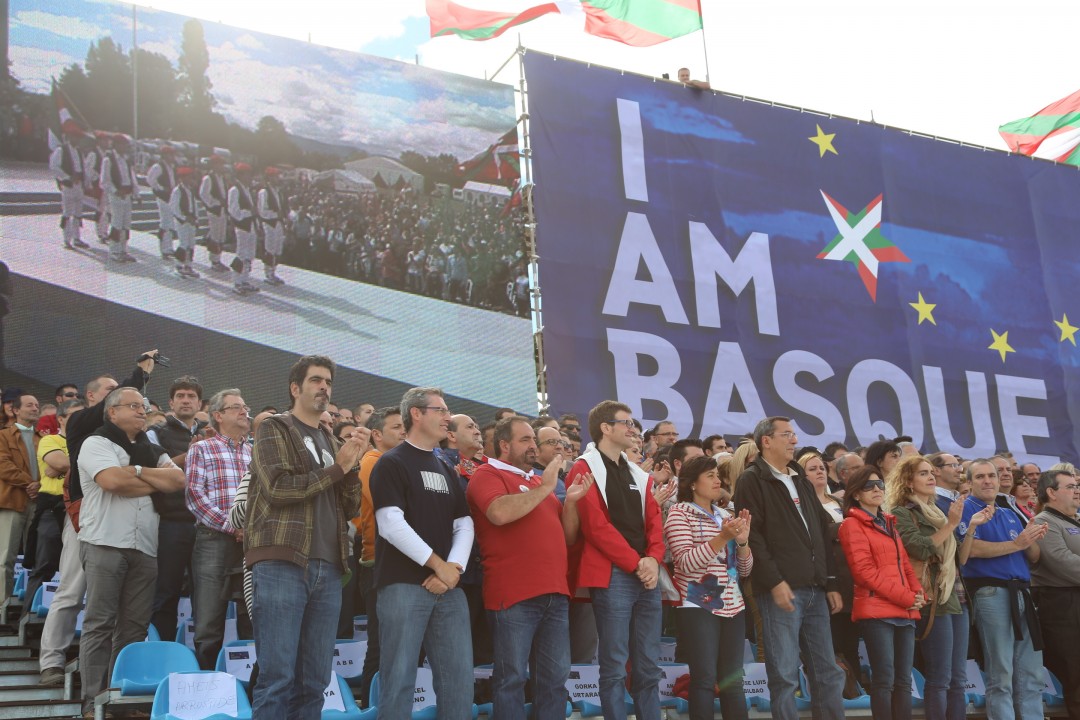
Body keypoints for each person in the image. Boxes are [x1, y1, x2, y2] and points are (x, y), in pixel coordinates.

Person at [245, 356, 368, 720]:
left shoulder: (331, 439)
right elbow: (279, 488)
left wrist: (352, 468)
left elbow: (349, 507)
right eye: (316, 380)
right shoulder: (275, 428)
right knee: (277, 678)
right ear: (295, 388)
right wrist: (338, 467)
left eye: (328, 381)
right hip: (282, 560)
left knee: (314, 681)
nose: (324, 387)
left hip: (329, 567)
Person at [38, 357, 154, 687]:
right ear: (92, 397)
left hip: (126, 520)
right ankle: (52, 661)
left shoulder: (134, 437)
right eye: (111, 391)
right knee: (71, 591)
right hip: (85, 516)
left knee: (120, 605)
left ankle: (112, 676)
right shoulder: (79, 422)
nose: (121, 397)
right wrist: (138, 375)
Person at [467, 417, 590, 720]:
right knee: (511, 679)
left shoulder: (537, 482)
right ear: (504, 444)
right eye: (525, 440)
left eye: (534, 440)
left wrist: (571, 502)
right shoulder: (487, 473)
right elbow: (498, 513)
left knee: (555, 681)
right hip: (513, 594)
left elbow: (568, 536)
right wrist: (547, 485)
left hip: (555, 593)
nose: (533, 446)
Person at [77, 386, 185, 713]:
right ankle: (92, 700)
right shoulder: (96, 443)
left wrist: (136, 471)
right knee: (100, 623)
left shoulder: (150, 449)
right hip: (105, 541)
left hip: (145, 545)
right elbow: (112, 482)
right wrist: (154, 481)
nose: (142, 411)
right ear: (112, 412)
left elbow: (178, 481)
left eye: (144, 406)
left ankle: (119, 697)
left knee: (135, 627)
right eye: (134, 406)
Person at [369, 387, 474, 720]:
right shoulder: (391, 462)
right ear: (416, 413)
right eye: (440, 410)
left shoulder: (444, 466)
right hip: (403, 586)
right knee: (399, 679)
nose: (448, 418)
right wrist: (439, 565)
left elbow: (464, 523)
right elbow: (390, 523)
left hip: (449, 587)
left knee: (459, 681)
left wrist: (453, 568)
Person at [733, 417, 845, 720]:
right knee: (784, 675)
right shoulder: (751, 480)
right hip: (779, 591)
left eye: (794, 434)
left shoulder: (800, 478)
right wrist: (774, 581)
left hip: (816, 589)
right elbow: (753, 536)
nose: (794, 440)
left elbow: (821, 532)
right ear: (766, 441)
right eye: (787, 435)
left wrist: (831, 582)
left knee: (827, 672)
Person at [565, 400, 665, 720]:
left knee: (648, 664)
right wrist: (638, 563)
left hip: (645, 573)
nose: (633, 429)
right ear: (606, 428)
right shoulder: (584, 468)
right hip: (614, 573)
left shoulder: (638, 473)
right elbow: (595, 527)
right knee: (614, 665)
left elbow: (655, 522)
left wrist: (653, 559)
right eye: (626, 423)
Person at [957, 458, 1048, 720]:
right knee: (1001, 672)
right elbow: (972, 550)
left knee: (1031, 673)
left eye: (991, 476)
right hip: (991, 592)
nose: (987, 481)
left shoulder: (1008, 511)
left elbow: (1033, 557)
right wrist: (1018, 544)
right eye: (980, 477)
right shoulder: (966, 509)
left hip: (1022, 592)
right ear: (969, 482)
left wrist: (1030, 537)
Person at [664, 454, 752, 720]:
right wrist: (722, 537)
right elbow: (686, 563)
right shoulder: (679, 513)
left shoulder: (725, 515)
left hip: (734, 605)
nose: (718, 481)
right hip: (697, 604)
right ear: (692, 483)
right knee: (704, 679)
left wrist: (742, 543)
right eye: (710, 476)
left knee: (733, 682)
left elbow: (744, 571)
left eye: (718, 475)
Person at [839, 466, 925, 720]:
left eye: (880, 484)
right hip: (877, 613)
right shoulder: (851, 524)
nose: (876, 489)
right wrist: (907, 597)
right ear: (856, 494)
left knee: (903, 680)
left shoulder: (888, 523)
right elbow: (864, 573)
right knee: (884, 679)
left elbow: (905, 565)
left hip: (904, 610)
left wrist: (917, 593)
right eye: (868, 485)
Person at [888, 455, 969, 720]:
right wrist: (952, 524)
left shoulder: (938, 512)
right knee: (940, 678)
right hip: (931, 598)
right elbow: (920, 549)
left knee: (958, 678)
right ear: (908, 482)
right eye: (923, 473)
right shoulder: (901, 513)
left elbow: (960, 558)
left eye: (931, 472)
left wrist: (971, 527)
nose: (931, 477)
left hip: (955, 596)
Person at [185, 389, 251, 670]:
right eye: (236, 407)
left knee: (252, 618)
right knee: (209, 620)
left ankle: (250, 687)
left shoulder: (255, 451)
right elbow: (194, 496)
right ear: (218, 416)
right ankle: (205, 683)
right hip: (213, 540)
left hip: (250, 543)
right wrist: (232, 525)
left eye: (245, 407)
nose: (244, 411)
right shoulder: (201, 448)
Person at [147, 376, 207, 644]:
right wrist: (188, 455)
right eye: (180, 396)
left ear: (200, 403)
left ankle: (205, 658)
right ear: (171, 403)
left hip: (206, 524)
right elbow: (152, 470)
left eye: (191, 396)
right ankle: (163, 652)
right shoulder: (156, 433)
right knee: (166, 592)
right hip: (171, 523)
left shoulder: (211, 432)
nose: (186, 400)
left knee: (206, 596)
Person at [354, 407, 405, 707]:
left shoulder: (395, 462)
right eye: (396, 427)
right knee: (381, 645)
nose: (404, 431)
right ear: (376, 434)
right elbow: (396, 507)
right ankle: (371, 708)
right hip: (379, 564)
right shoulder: (373, 461)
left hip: (398, 564)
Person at [24, 399, 83, 623]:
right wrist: (65, 465)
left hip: (78, 507)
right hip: (52, 507)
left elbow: (62, 465)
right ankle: (29, 618)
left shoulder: (89, 442)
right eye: (74, 415)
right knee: (44, 563)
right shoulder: (50, 440)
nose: (80, 419)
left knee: (74, 570)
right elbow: (59, 462)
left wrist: (64, 466)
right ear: (61, 419)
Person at [1031, 469, 1080, 719]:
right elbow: (1062, 562)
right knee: (1074, 672)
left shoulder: (1075, 521)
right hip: (1062, 605)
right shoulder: (1043, 523)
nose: (1077, 491)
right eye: (1070, 487)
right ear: (1051, 492)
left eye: (1077, 486)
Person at [0, 392, 40, 602]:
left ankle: (31, 605)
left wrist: (39, 484)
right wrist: (31, 483)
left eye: (37, 405)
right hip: (12, 502)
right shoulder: (3, 436)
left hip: (38, 503)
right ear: (15, 410)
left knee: (38, 558)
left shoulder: (43, 438)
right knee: (5, 557)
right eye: (29, 405)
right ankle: (2, 605)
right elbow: (3, 466)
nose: (35, 408)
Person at [49, 121, 89, 249]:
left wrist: (85, 183)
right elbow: (54, 167)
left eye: (78, 137)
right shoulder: (61, 150)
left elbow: (84, 168)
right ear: (69, 137)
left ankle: (77, 238)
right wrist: (67, 177)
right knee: (67, 212)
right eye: (74, 137)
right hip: (68, 185)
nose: (76, 139)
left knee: (78, 213)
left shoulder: (79, 152)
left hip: (78, 185)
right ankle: (67, 239)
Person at [100, 133, 136, 262]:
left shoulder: (126, 160)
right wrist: (116, 191)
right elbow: (104, 181)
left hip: (127, 194)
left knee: (126, 224)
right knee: (117, 223)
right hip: (116, 195)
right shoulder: (108, 160)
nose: (125, 148)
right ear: (116, 145)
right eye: (123, 145)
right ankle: (114, 251)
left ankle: (123, 250)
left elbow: (131, 177)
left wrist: (135, 192)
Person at [228, 163, 260, 295]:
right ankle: (236, 282)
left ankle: (244, 280)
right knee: (241, 254)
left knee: (249, 255)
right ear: (241, 175)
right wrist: (249, 212)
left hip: (250, 226)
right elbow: (234, 211)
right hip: (242, 226)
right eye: (247, 174)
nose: (250, 177)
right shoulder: (234, 190)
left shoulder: (247, 189)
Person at [198, 154, 231, 272]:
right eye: (219, 164)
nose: (222, 166)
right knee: (215, 235)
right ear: (214, 165)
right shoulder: (208, 178)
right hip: (214, 211)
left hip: (222, 210)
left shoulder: (222, 178)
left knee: (221, 236)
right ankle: (214, 261)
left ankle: (218, 259)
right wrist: (215, 203)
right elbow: (203, 194)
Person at [257, 167, 288, 285]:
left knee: (277, 249)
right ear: (269, 178)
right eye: (275, 176)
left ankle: (273, 272)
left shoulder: (278, 192)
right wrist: (276, 214)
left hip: (278, 223)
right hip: (269, 223)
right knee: (270, 249)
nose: (277, 178)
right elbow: (262, 211)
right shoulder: (264, 192)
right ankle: (268, 274)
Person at [147, 145, 179, 259]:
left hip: (170, 198)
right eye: (170, 154)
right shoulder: (158, 166)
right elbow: (150, 179)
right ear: (164, 155)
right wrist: (160, 188)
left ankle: (168, 247)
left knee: (170, 223)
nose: (173, 157)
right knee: (165, 222)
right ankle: (164, 249)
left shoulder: (171, 167)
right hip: (163, 198)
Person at [169, 166, 201, 278]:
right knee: (183, 243)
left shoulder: (190, 190)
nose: (189, 179)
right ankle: (178, 265)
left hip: (191, 220)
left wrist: (196, 219)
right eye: (186, 177)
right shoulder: (177, 191)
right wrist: (183, 218)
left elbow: (194, 205)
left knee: (191, 244)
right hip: (182, 221)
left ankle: (188, 265)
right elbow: (174, 207)